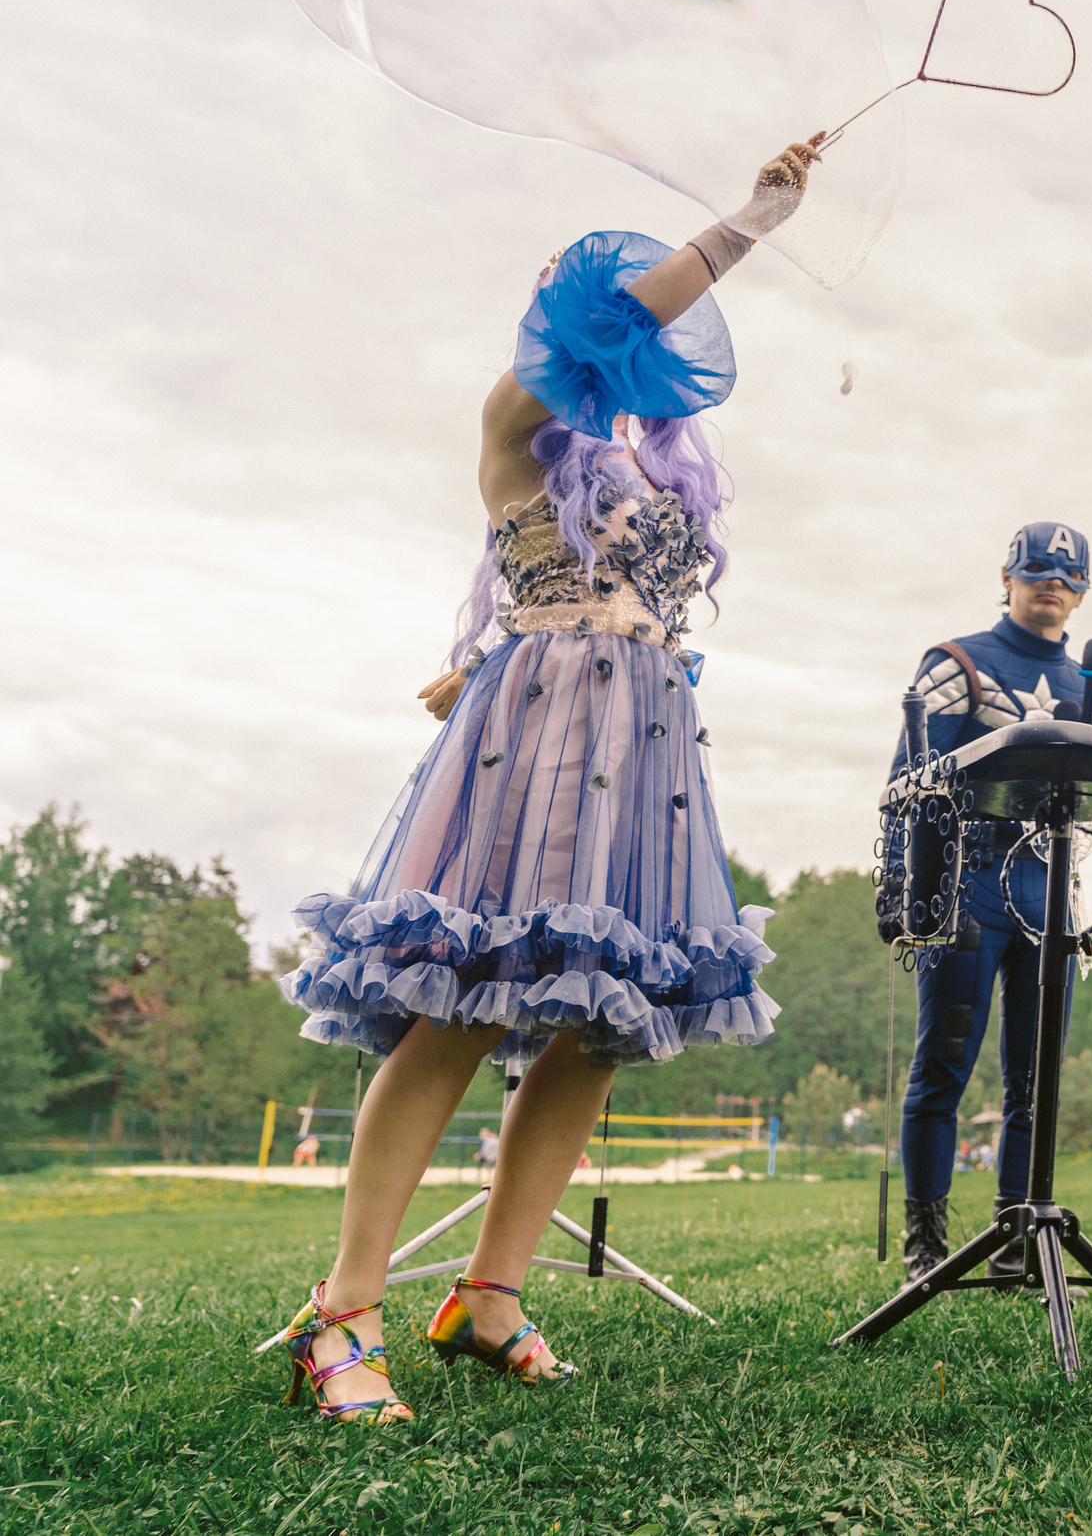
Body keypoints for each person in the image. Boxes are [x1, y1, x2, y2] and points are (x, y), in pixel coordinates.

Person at [271, 137, 813, 1424]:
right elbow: (616, 325)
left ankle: (492, 1293)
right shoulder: (515, 428)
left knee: (599, 1020)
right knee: (459, 1000)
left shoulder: (653, 466)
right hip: (539, 734)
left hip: (647, 742)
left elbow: (639, 601)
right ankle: (342, 1313)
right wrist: (756, 218)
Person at [890, 522, 1092, 1281]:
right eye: (1036, 569)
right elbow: (911, 781)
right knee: (944, 1063)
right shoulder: (957, 662)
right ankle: (927, 1243)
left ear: (1082, 589)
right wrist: (914, 893)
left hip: (1052, 889)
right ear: (1008, 576)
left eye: (1066, 574)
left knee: (1035, 1076)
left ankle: (1017, 1231)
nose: (1051, 581)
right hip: (969, 884)